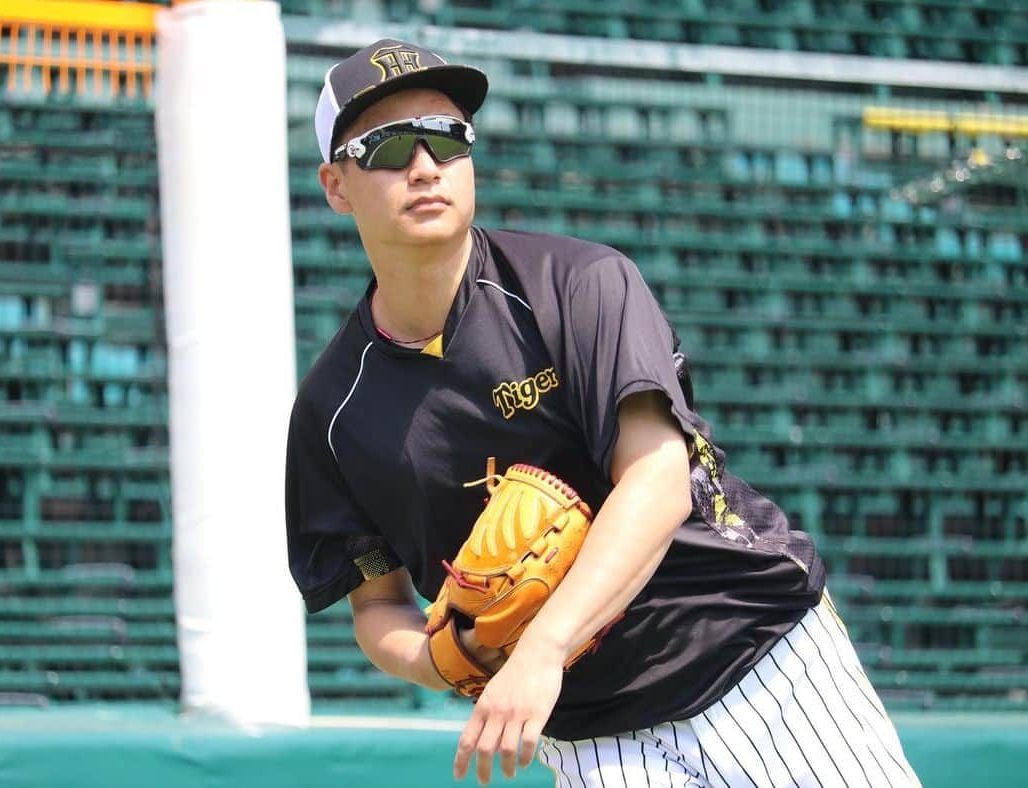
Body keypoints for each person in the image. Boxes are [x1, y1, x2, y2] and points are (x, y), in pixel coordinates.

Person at [285, 38, 920, 787]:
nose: (424, 165)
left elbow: (657, 481)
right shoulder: (333, 411)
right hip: (589, 731)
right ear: (336, 184)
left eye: (448, 136)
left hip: (754, 657)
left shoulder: (578, 285)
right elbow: (376, 606)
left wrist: (540, 650)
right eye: (388, 146)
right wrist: (440, 661)